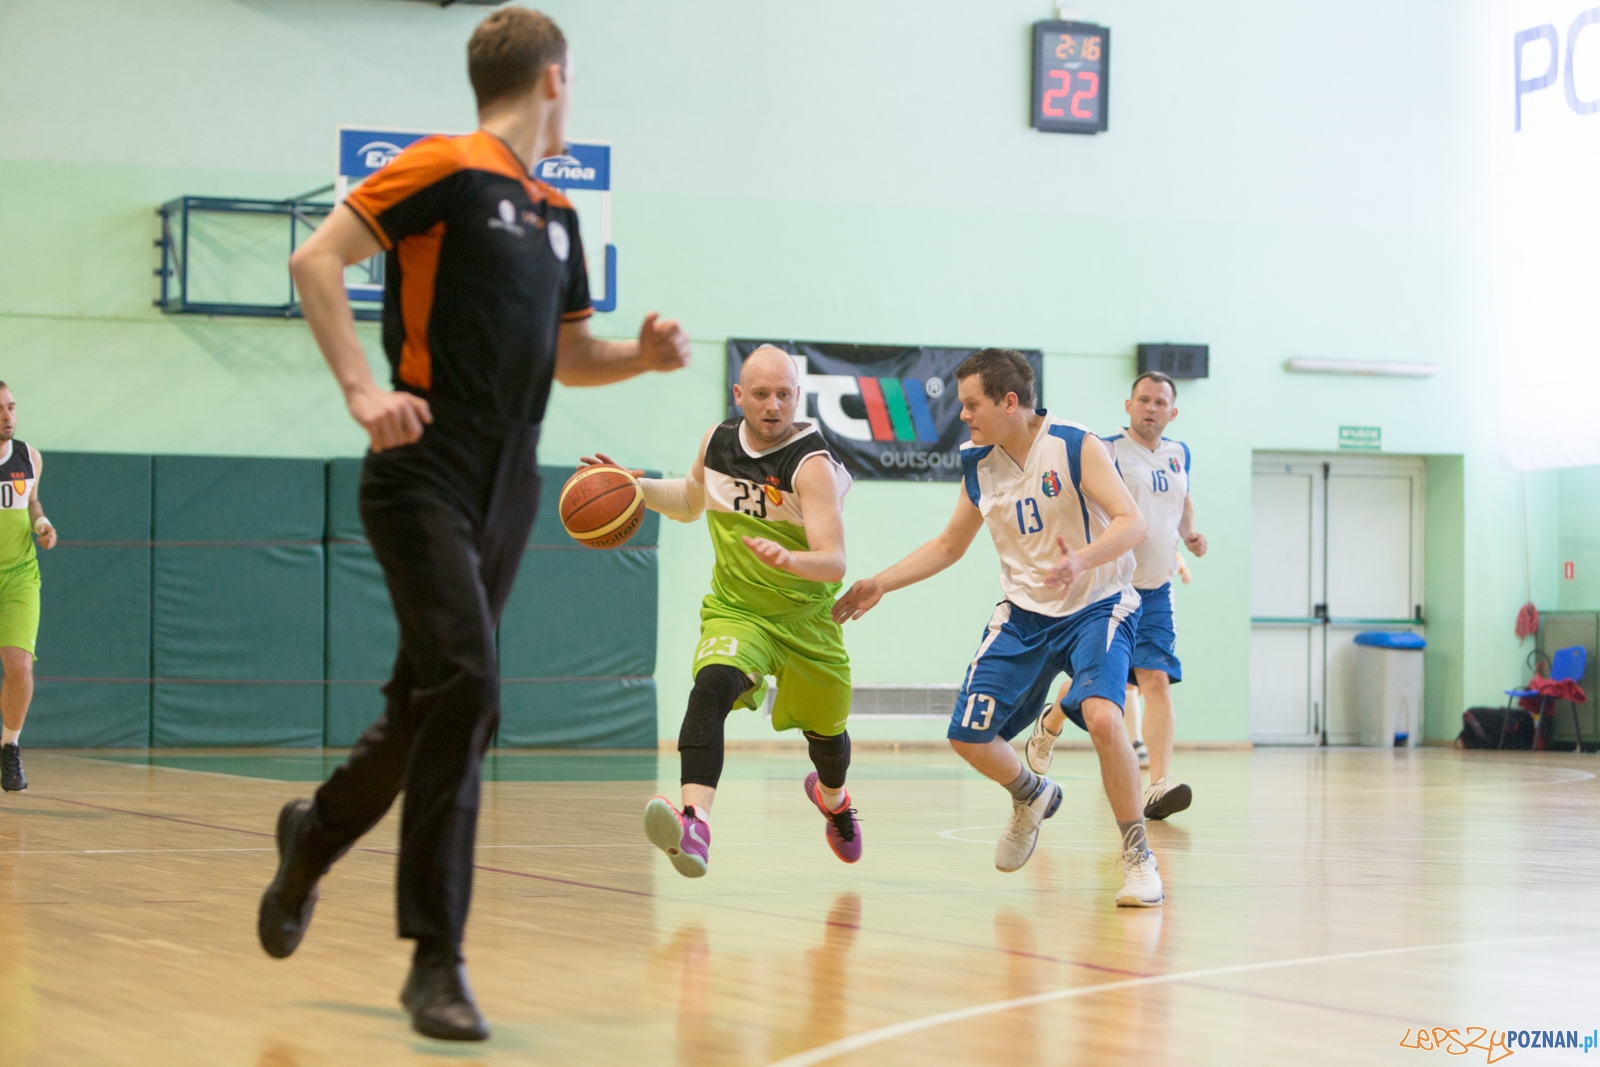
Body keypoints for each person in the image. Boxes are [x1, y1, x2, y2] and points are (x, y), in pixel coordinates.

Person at [255, 8, 690, 1042]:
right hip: (421, 465)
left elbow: (567, 357)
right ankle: (435, 958)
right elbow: (316, 261)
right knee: (473, 683)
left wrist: (641, 353)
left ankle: (312, 834)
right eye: (573, 83)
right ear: (554, 77)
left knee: (429, 706)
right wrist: (362, 389)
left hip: (510, 479)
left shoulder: (557, 215)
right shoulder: (444, 166)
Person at [833, 349, 1164, 907]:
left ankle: (1138, 856)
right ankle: (1031, 794)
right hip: (1025, 614)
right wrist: (882, 583)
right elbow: (947, 545)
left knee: (1106, 717)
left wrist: (1080, 560)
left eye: (971, 404)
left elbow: (1133, 524)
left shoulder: (1075, 444)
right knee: (968, 735)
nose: (962, 414)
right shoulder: (978, 464)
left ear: (1010, 402)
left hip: (1098, 604)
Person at [589, 346, 858, 876]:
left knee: (827, 742)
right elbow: (691, 502)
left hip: (807, 619)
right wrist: (631, 488)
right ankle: (695, 824)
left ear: (797, 397)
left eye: (784, 394)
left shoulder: (811, 465)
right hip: (739, 611)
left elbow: (835, 562)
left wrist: (792, 557)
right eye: (761, 394)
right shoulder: (717, 443)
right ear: (740, 396)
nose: (773, 406)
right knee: (710, 687)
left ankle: (835, 802)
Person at [1026, 372, 1206, 822]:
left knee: (1155, 680)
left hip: (1158, 592)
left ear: (1173, 411)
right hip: (1113, 590)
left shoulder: (1180, 454)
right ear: (1129, 405)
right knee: (1105, 683)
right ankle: (1051, 720)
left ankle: (1158, 784)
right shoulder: (1106, 450)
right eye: (1143, 400)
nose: (1151, 408)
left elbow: (1181, 504)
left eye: (1160, 402)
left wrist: (1192, 535)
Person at [0, 383, 58, 794]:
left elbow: (32, 501)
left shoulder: (29, 456)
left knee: (20, 667)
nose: (8, 416)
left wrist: (41, 523)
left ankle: (10, 748)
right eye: (0, 409)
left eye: (12, 407)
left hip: (19, 574)